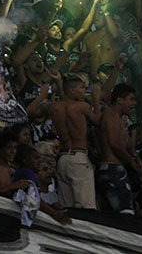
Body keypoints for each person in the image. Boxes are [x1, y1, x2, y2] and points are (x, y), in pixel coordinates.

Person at [52, 75, 101, 209]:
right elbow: (97, 121)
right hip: (79, 159)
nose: (84, 91)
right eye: (82, 88)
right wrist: (96, 100)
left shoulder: (55, 107)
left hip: (62, 159)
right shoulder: (82, 106)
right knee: (86, 208)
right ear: (72, 91)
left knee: (67, 208)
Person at [97, 83, 142, 214]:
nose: (134, 103)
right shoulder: (111, 115)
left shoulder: (117, 118)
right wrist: (132, 162)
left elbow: (125, 145)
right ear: (120, 100)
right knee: (125, 213)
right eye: (131, 99)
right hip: (112, 169)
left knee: (112, 214)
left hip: (110, 168)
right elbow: (114, 143)